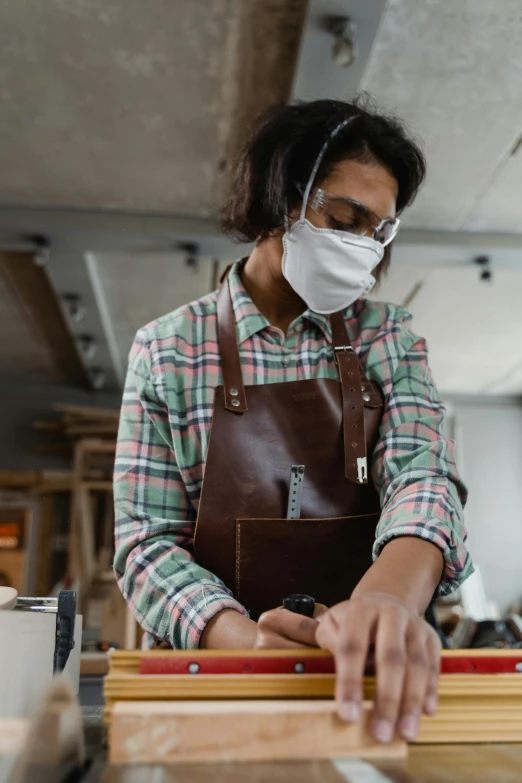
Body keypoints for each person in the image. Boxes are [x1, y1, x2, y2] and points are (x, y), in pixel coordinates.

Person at [114, 98, 472, 744]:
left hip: (372, 678)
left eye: (379, 231)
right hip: (228, 679)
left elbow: (425, 480)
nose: (362, 247)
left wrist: (386, 601)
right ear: (282, 200)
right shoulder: (168, 350)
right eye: (345, 217)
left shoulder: (386, 339)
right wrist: (246, 640)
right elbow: (146, 544)